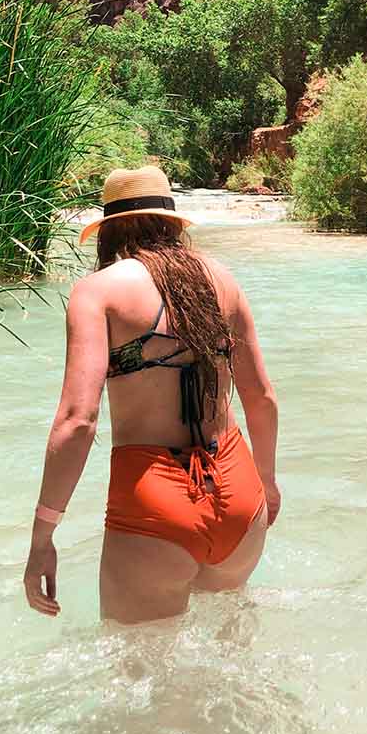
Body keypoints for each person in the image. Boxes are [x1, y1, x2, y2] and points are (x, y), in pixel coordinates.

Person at [23, 165, 280, 624]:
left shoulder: (97, 292)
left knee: (139, 674)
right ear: (173, 223)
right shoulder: (221, 279)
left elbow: (77, 422)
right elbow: (261, 397)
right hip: (239, 490)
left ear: (108, 230)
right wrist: (268, 481)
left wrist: (43, 535)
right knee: (232, 657)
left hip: (153, 500)